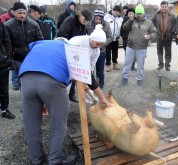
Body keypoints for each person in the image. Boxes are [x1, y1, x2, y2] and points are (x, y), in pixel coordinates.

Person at [19, 25, 111, 165]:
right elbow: (89, 77)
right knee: (58, 125)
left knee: (31, 125)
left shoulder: (42, 43)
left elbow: (39, 64)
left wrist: (43, 101)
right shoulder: (71, 50)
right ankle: (55, 160)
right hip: (52, 82)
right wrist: (102, 98)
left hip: (26, 79)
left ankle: (36, 160)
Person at [4, 2, 43, 90]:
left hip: (31, 57)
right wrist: (9, 58)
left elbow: (40, 41)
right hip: (17, 57)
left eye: (24, 13)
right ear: (14, 13)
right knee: (22, 79)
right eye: (19, 13)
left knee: (31, 80)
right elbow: (6, 43)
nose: (22, 15)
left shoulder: (34, 25)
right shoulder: (8, 26)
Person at [57, 9, 91, 102]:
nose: (86, 21)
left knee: (75, 74)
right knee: (65, 74)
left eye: (87, 20)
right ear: (79, 15)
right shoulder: (69, 21)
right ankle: (61, 96)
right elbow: (61, 36)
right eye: (85, 18)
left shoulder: (84, 26)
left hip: (76, 53)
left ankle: (71, 94)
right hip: (65, 49)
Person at [120, 4, 156, 87]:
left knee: (140, 66)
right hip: (130, 46)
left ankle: (139, 80)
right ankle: (124, 79)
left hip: (142, 47)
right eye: (137, 13)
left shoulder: (149, 22)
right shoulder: (133, 20)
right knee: (127, 64)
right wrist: (130, 20)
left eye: (140, 13)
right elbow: (125, 28)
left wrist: (150, 36)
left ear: (143, 13)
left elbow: (154, 33)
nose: (138, 15)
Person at [86, 7, 113, 89]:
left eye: (100, 19)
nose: (98, 21)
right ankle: (90, 85)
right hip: (90, 51)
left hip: (101, 51)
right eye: (96, 18)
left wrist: (103, 44)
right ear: (94, 17)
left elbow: (110, 37)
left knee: (100, 71)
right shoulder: (89, 24)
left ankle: (100, 86)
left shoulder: (106, 25)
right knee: (90, 69)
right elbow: (85, 35)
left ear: (102, 19)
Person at [152, 1, 176, 71]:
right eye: (163, 7)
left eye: (165, 7)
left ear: (167, 7)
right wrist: (156, 29)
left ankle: (167, 65)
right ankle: (160, 64)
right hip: (159, 36)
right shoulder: (156, 14)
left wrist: (172, 32)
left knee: (168, 52)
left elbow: (174, 25)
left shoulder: (172, 15)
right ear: (161, 7)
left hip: (168, 36)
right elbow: (152, 22)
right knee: (159, 51)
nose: (164, 8)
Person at [0, 21, 15, 119]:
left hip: (2, 62)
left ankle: (4, 109)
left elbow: (7, 41)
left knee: (4, 88)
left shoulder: (1, 24)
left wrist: (8, 57)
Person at [104, 5, 123, 71]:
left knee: (115, 52)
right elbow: (103, 26)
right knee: (108, 52)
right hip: (108, 38)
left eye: (118, 11)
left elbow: (121, 28)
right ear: (113, 10)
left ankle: (115, 63)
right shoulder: (107, 17)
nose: (117, 13)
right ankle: (108, 64)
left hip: (116, 38)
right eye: (116, 11)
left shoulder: (120, 19)